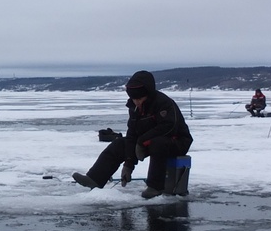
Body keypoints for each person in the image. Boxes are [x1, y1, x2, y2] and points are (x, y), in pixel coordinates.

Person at [73, 70, 193, 199]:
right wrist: (128, 165)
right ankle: (95, 179)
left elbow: (169, 128)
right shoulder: (135, 108)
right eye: (134, 99)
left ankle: (155, 187)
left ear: (148, 93)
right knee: (120, 143)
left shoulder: (164, 103)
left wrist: (142, 141)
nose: (137, 102)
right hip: (149, 142)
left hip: (177, 142)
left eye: (140, 98)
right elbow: (132, 135)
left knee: (158, 143)